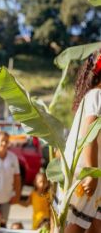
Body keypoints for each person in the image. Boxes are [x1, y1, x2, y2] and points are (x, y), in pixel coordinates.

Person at [57, 49, 101, 233]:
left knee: (92, 224)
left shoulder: (92, 96)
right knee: (76, 225)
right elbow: (88, 135)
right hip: (87, 172)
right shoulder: (97, 96)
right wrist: (91, 173)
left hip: (92, 172)